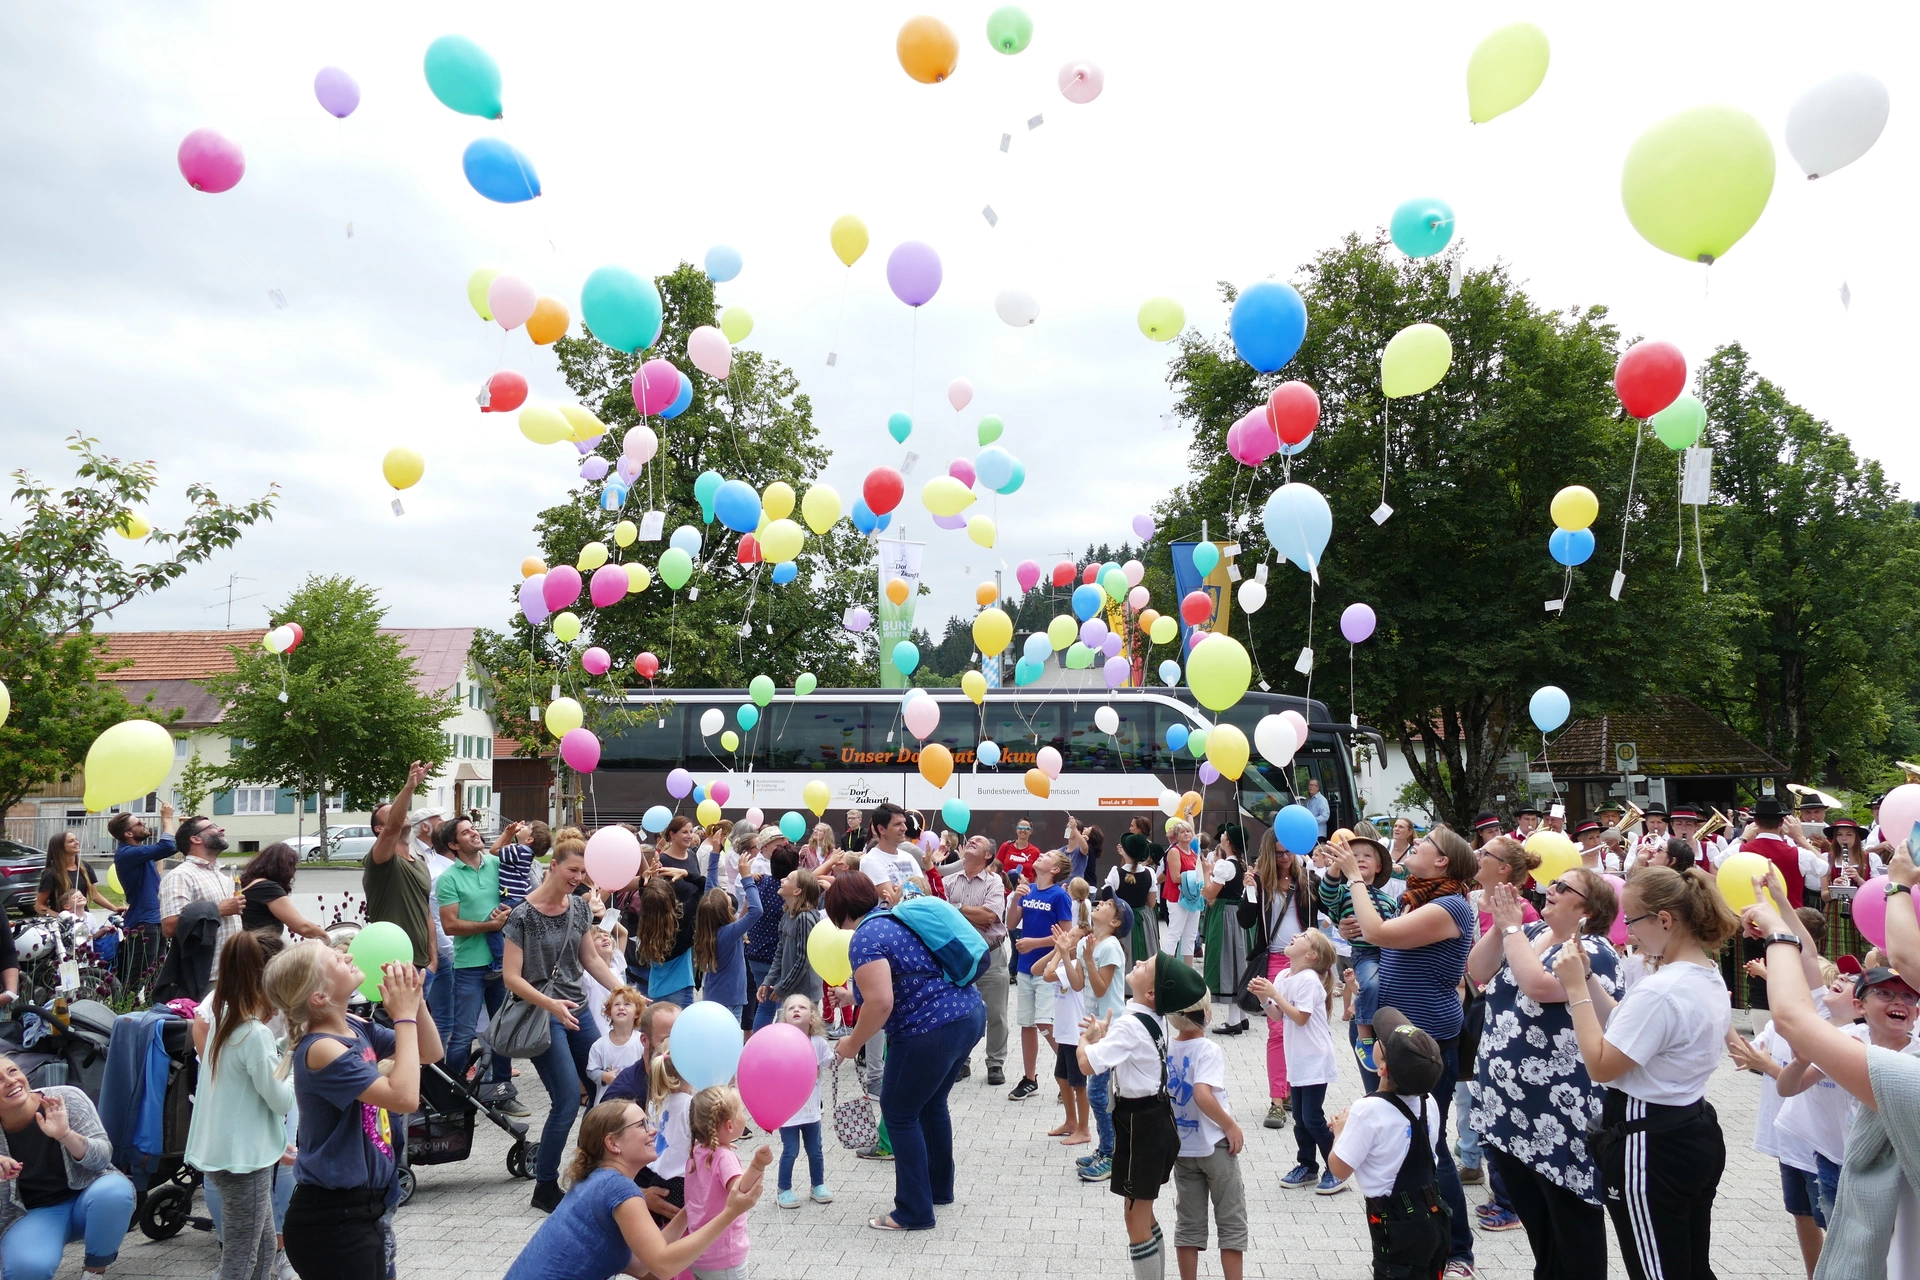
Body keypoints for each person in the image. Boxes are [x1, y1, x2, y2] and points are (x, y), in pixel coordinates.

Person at [1739, 845, 1920, 1280]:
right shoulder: (1853, 1036)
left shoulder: (1903, 1072)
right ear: (1861, 1002)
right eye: (1884, 993)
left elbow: (1792, 1017)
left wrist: (1776, 932)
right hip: (1843, 1165)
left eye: (1908, 995)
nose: (1898, 1000)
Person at [1552, 864, 1740, 1280]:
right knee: (1689, 1264)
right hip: (1690, 1127)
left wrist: (1576, 990)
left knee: (1656, 1271)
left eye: (1632, 921)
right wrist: (1587, 977)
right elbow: (1630, 1026)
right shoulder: (1702, 974)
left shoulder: (1661, 988)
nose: (1628, 932)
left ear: (1666, 920)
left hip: (1649, 1143)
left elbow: (1601, 1065)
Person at [1333, 824, 1478, 1275]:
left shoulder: (1450, 905)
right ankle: (1411, 1234)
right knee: (1404, 1140)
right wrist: (1350, 926)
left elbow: (1380, 934)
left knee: (1429, 1145)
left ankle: (1457, 1251)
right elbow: (1376, 935)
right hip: (1396, 1030)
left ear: (1442, 861)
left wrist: (1355, 880)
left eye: (1425, 843)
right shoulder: (1418, 897)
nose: (1414, 845)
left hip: (1427, 1035)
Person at [1464, 872, 1620, 1280]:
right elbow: (1477, 969)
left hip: (1558, 1113)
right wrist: (1502, 926)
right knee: (1538, 1224)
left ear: (1588, 910)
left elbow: (1536, 986)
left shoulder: (1593, 952)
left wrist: (1511, 926)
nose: (1551, 889)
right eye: (1552, 882)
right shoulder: (1530, 932)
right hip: (1508, 1108)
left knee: (1571, 1223)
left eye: (1564, 887)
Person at [266, 942, 443, 1280]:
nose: (348, 955)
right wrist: (403, 1016)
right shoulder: (321, 1048)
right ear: (319, 995)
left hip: (365, 1211)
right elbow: (405, 1098)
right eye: (335, 958)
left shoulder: (353, 1026)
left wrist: (415, 1003)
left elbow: (430, 1052)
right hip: (332, 1221)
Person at [825, 872, 985, 1231]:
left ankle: (913, 1210)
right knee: (929, 1104)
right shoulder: (895, 917)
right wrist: (855, 998)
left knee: (898, 1113)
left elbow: (882, 1002)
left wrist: (851, 1044)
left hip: (929, 1030)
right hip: (968, 1013)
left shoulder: (865, 937)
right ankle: (939, 1190)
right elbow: (909, 974)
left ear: (838, 912)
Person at [501, 837, 629, 1213]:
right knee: (567, 1100)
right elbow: (511, 977)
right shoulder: (522, 914)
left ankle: (588, 1167)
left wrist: (626, 992)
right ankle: (544, 1185)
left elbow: (590, 959)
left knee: (605, 1087)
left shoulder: (577, 907)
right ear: (553, 865)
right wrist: (550, 1004)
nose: (578, 878)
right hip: (540, 1014)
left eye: (584, 872)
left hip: (577, 1010)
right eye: (573, 870)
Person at [502, 1099, 764, 1280]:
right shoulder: (619, 1190)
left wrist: (694, 1207)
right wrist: (729, 1213)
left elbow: (642, 1265)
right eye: (641, 1125)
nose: (653, 1131)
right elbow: (663, 1265)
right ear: (613, 1144)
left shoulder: (597, 1180)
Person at [1077, 951, 1208, 1280]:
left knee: (1136, 1217)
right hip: (1152, 1119)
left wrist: (1086, 1040)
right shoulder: (1149, 1016)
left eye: (1144, 965)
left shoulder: (1132, 1023)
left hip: (1142, 1126)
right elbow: (1131, 1052)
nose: (1136, 964)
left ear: (1151, 993)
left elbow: (1087, 1064)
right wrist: (1107, 1037)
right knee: (1140, 1213)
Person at [186, 931, 296, 1280]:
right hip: (242, 1164)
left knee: (263, 1250)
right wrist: (296, 1059)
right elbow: (280, 1098)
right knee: (239, 1261)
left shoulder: (224, 1018)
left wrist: (285, 1045)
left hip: (232, 1156)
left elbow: (244, 1090)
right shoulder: (254, 1033)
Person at [1328, 1009, 1451, 1280]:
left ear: (1382, 1068)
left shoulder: (1367, 1110)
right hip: (1433, 1214)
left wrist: (1340, 1132)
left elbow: (1339, 1169)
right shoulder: (1428, 1101)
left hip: (1396, 1224)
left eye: (1379, 1042)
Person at [0, 1055, 136, 1280]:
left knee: (115, 1191)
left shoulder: (65, 1098)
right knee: (25, 1270)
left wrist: (65, 1135)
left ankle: (94, 1273)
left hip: (88, 1199)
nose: (10, 1081)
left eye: (12, 1071)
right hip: (34, 1215)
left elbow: (102, 1158)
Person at [1726, 1010, 1829, 1279]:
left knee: (1833, 1225)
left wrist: (1769, 1066)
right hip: (1790, 1144)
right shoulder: (1776, 1027)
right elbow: (1741, 1054)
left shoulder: (1830, 1031)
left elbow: (1799, 1081)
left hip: (1823, 1150)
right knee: (1802, 1214)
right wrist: (1723, 1017)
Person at [1251, 929, 1344, 1194]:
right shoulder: (1284, 975)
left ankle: (1336, 1167)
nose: (1295, 935)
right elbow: (1278, 1016)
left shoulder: (1310, 980)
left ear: (1311, 954)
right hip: (1298, 1059)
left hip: (1315, 1057)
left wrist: (1274, 994)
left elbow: (1300, 1017)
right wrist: (1264, 997)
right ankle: (1307, 1166)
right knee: (1301, 1120)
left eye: (1304, 936)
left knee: (1312, 1118)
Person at [1165, 995, 1247, 1280]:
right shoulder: (1208, 1049)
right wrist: (1230, 1126)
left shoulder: (1168, 1047)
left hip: (1184, 1147)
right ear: (1206, 1014)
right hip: (1215, 1145)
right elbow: (1202, 1094)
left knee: (1188, 1223)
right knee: (1231, 1221)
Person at [435, 814, 512, 1099]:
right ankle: (451, 1095)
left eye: (473, 829)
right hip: (469, 967)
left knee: (504, 1030)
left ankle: (503, 1091)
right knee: (464, 1035)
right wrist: (490, 926)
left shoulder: (496, 864)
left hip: (503, 963)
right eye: (466, 833)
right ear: (454, 845)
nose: (474, 834)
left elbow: (518, 896)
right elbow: (450, 925)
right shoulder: (449, 879)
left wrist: (508, 913)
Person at [1243, 829, 1315, 1129]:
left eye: (1289, 852)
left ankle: (1288, 1089)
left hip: (1306, 963)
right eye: (1279, 852)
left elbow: (1321, 913)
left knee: (1301, 1028)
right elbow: (1246, 921)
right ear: (1268, 853)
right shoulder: (1261, 883)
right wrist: (1248, 890)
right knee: (1276, 1030)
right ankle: (1276, 1100)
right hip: (1273, 960)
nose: (1285, 857)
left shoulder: (1307, 881)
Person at [1318, 828, 1400, 1080]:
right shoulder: (1343, 892)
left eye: (1367, 855)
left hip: (1389, 956)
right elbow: (1326, 893)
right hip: (1365, 954)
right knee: (1370, 984)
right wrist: (1335, 867)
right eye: (1354, 856)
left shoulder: (1388, 899)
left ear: (1378, 867)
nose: (1360, 858)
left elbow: (1394, 925)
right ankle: (1365, 1038)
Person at [1071, 889, 1132, 1184]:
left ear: (1117, 922)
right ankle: (1105, 1148)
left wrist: (1088, 958)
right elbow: (1078, 983)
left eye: (1108, 904)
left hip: (1111, 1027)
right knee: (1099, 1092)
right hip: (1096, 1029)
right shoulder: (1090, 942)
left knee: (1099, 1093)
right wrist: (1065, 953)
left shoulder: (1109, 947)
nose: (1100, 904)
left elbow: (1100, 989)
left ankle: (1111, 1154)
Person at [682, 1085, 773, 1280]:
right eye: (742, 1111)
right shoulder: (724, 1158)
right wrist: (757, 1165)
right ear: (730, 1126)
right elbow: (740, 1192)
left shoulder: (695, 1152)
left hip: (699, 1252)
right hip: (725, 1260)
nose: (746, 1116)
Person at [1007, 850, 1073, 1102]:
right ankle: (1029, 1078)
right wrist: (1015, 898)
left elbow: (1065, 936)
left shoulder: (1059, 896)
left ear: (1055, 869)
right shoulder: (1028, 889)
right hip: (1025, 967)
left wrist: (1035, 943)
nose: (1041, 856)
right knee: (1026, 1023)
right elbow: (1012, 924)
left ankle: (1070, 1073)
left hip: (1048, 970)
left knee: (1045, 1023)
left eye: (1047, 856)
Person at [943, 837, 1009, 1085]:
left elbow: (990, 916)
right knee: (959, 1011)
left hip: (991, 954)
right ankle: (962, 1062)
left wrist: (956, 907)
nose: (971, 841)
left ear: (988, 854)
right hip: (959, 956)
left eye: (978, 842)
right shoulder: (948, 880)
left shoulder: (995, 882)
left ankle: (995, 1063)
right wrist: (971, 913)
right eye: (969, 840)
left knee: (997, 1014)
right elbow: (943, 914)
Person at [362, 763, 436, 974]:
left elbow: (427, 913)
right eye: (393, 812)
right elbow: (393, 827)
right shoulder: (381, 860)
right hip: (392, 963)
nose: (401, 814)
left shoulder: (420, 863)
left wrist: (433, 960)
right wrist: (410, 787)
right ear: (379, 829)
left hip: (422, 965)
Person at [773, 995, 834, 1210]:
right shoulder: (779, 1044)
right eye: (791, 1008)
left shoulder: (818, 1043)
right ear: (785, 1018)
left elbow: (831, 1063)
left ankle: (817, 1185)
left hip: (812, 1112)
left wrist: (847, 1047)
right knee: (790, 1151)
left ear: (812, 1017)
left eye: (802, 1007)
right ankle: (784, 1189)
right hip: (788, 1113)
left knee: (815, 1150)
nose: (796, 1010)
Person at [159, 815, 244, 967]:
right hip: (206, 976)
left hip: (233, 971)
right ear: (196, 839)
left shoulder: (221, 876)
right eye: (212, 827)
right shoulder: (181, 876)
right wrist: (219, 911)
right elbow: (170, 927)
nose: (221, 829)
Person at [1036, 928, 1090, 1147]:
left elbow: (1048, 976)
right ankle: (1070, 1121)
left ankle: (1084, 1129)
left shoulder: (1075, 965)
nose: (1067, 936)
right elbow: (1037, 969)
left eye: (1073, 936)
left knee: (1078, 1083)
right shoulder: (1063, 962)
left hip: (1075, 1032)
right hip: (1065, 1031)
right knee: (1062, 1077)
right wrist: (1056, 950)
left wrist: (1061, 952)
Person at [110, 802, 174, 984]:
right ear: (128, 834)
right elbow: (167, 846)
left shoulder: (138, 852)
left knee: (156, 978)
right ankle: (125, 1010)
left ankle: (150, 1010)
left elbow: (171, 846)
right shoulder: (127, 853)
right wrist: (167, 818)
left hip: (155, 918)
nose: (144, 823)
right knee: (137, 978)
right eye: (139, 823)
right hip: (144, 922)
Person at [1200, 825, 1251, 1038]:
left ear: (1228, 842)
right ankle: (1239, 1016)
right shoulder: (1237, 864)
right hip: (1234, 912)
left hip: (1225, 916)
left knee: (1227, 960)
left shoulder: (1226, 865)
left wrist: (1205, 873)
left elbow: (1209, 892)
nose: (1221, 836)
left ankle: (1233, 1020)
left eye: (1224, 835)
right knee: (1236, 959)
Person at [693, 875, 766, 1023]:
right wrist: (747, 879)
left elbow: (710, 891)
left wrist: (715, 854)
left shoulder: (707, 931)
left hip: (712, 995)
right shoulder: (728, 932)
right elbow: (756, 910)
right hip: (731, 1000)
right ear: (728, 910)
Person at [758, 866, 822, 1027]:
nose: (782, 880)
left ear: (797, 891)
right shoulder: (788, 914)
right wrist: (768, 980)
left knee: (804, 1036)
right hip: (792, 989)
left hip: (805, 993)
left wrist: (782, 987)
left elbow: (803, 960)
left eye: (787, 879)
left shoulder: (805, 918)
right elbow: (780, 951)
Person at [744, 847, 798, 1031]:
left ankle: (761, 1043)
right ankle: (776, 1043)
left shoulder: (760, 883)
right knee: (782, 1006)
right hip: (778, 959)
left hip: (755, 952)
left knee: (765, 1005)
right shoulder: (790, 893)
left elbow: (746, 908)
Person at [234, 844, 327, 942]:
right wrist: (328, 939)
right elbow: (303, 927)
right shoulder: (268, 888)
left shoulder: (249, 884)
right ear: (284, 868)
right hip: (261, 949)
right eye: (292, 866)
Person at [1108, 833, 1162, 964]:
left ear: (1125, 852)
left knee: (1123, 958)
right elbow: (1151, 902)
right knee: (1146, 956)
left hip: (1123, 922)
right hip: (1143, 922)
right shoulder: (1150, 873)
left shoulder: (1116, 873)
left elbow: (1109, 901)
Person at [586, 987, 646, 1105]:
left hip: (635, 1101)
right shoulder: (599, 1045)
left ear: (637, 1013)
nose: (621, 1007)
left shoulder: (641, 1042)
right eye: (616, 1004)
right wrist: (604, 1076)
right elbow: (591, 1070)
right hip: (607, 1103)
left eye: (627, 1004)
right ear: (609, 1012)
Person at [36, 833, 112, 917]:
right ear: (60, 847)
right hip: (63, 924)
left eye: (76, 839)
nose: (76, 842)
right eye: (71, 841)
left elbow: (94, 895)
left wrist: (114, 908)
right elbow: (39, 906)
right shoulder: (51, 873)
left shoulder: (85, 866)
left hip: (83, 920)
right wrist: (61, 917)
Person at [857, 804, 921, 903]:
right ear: (881, 829)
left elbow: (925, 891)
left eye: (904, 823)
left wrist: (901, 890)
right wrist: (913, 890)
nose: (904, 828)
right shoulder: (870, 861)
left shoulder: (908, 857)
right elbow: (893, 900)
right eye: (897, 824)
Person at [1162, 822, 1204, 960]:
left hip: (1192, 897)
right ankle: (1166, 966)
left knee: (1190, 935)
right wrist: (1196, 876)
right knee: (1174, 933)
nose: (1186, 833)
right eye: (1182, 832)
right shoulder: (1174, 851)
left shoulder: (1193, 852)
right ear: (1177, 836)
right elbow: (1175, 877)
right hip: (1177, 897)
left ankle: (1188, 970)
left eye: (1188, 831)